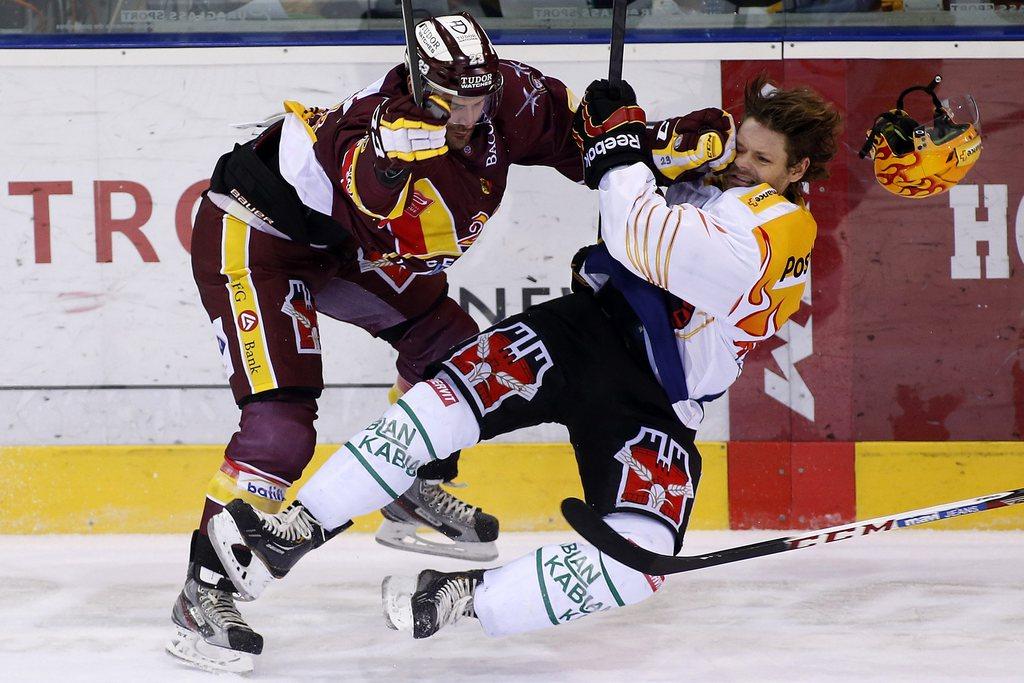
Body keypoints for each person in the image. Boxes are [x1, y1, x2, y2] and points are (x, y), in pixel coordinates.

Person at [206, 72, 841, 651]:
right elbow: (644, 164)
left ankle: (462, 598)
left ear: (797, 171)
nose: (742, 168)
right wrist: (628, 135)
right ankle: (296, 527)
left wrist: (621, 153)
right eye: (743, 152)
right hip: (580, 333)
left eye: (764, 161)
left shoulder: (780, 229)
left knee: (638, 560)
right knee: (442, 404)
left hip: (658, 404)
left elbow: (640, 237)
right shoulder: (719, 184)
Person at [167, 11, 720, 674]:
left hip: (344, 245)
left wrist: (657, 141)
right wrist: (390, 158)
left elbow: (585, 139)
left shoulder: (504, 99)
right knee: (280, 428)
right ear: (422, 90)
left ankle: (401, 486)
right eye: (454, 104)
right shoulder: (372, 125)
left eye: (479, 98)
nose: (470, 116)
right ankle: (207, 590)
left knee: (452, 351)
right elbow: (371, 193)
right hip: (258, 233)